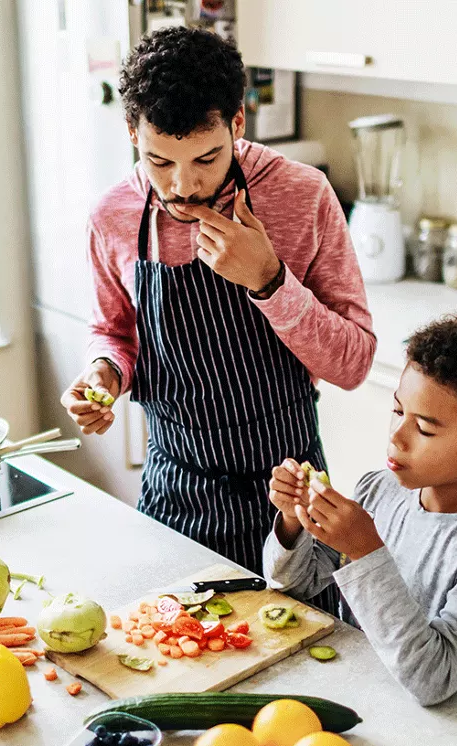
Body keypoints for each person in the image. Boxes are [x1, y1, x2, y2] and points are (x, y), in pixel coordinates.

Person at [60, 26, 374, 578]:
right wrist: (104, 374)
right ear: (132, 131)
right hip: (174, 489)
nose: (183, 186)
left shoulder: (302, 196)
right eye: (160, 162)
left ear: (237, 124)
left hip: (290, 497)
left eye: (206, 159)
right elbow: (113, 332)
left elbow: (353, 365)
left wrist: (270, 281)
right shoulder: (111, 215)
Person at [265, 315, 457, 708]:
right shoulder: (378, 490)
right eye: (399, 412)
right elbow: (294, 588)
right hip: (370, 704)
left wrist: (366, 550)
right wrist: (292, 521)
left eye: (425, 429)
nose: (396, 437)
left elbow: (432, 679)